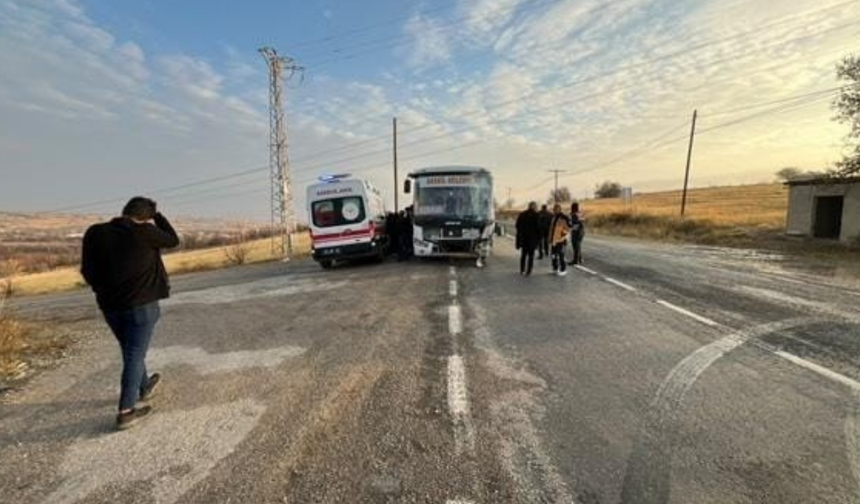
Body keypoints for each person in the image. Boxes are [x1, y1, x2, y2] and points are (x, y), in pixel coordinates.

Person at [81, 197, 180, 430]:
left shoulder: (94, 232)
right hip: (141, 305)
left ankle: (143, 386)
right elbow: (173, 240)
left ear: (124, 211)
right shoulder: (145, 231)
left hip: (109, 306)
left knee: (131, 349)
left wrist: (101, 289)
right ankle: (126, 410)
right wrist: (158, 216)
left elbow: (87, 270)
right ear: (146, 217)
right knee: (134, 352)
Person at [515, 201, 541, 276]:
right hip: (532, 240)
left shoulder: (522, 215)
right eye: (536, 206)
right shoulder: (536, 215)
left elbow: (517, 226)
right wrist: (538, 239)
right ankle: (529, 271)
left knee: (523, 255)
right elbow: (539, 228)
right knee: (531, 256)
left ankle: (522, 270)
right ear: (534, 207)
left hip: (523, 239)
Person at [549, 203, 572, 276]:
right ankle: (555, 268)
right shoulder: (554, 217)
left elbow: (568, 228)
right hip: (554, 240)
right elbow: (552, 229)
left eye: (555, 209)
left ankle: (563, 269)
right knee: (553, 255)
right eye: (553, 209)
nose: (554, 210)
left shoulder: (564, 217)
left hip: (561, 240)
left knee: (561, 255)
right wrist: (550, 238)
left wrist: (562, 234)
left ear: (559, 209)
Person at [568, 202, 586, 266]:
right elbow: (583, 220)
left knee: (575, 246)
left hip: (577, 232)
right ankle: (580, 259)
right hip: (582, 231)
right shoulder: (580, 213)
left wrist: (570, 227)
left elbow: (575, 225)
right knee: (578, 246)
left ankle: (575, 260)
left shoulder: (574, 215)